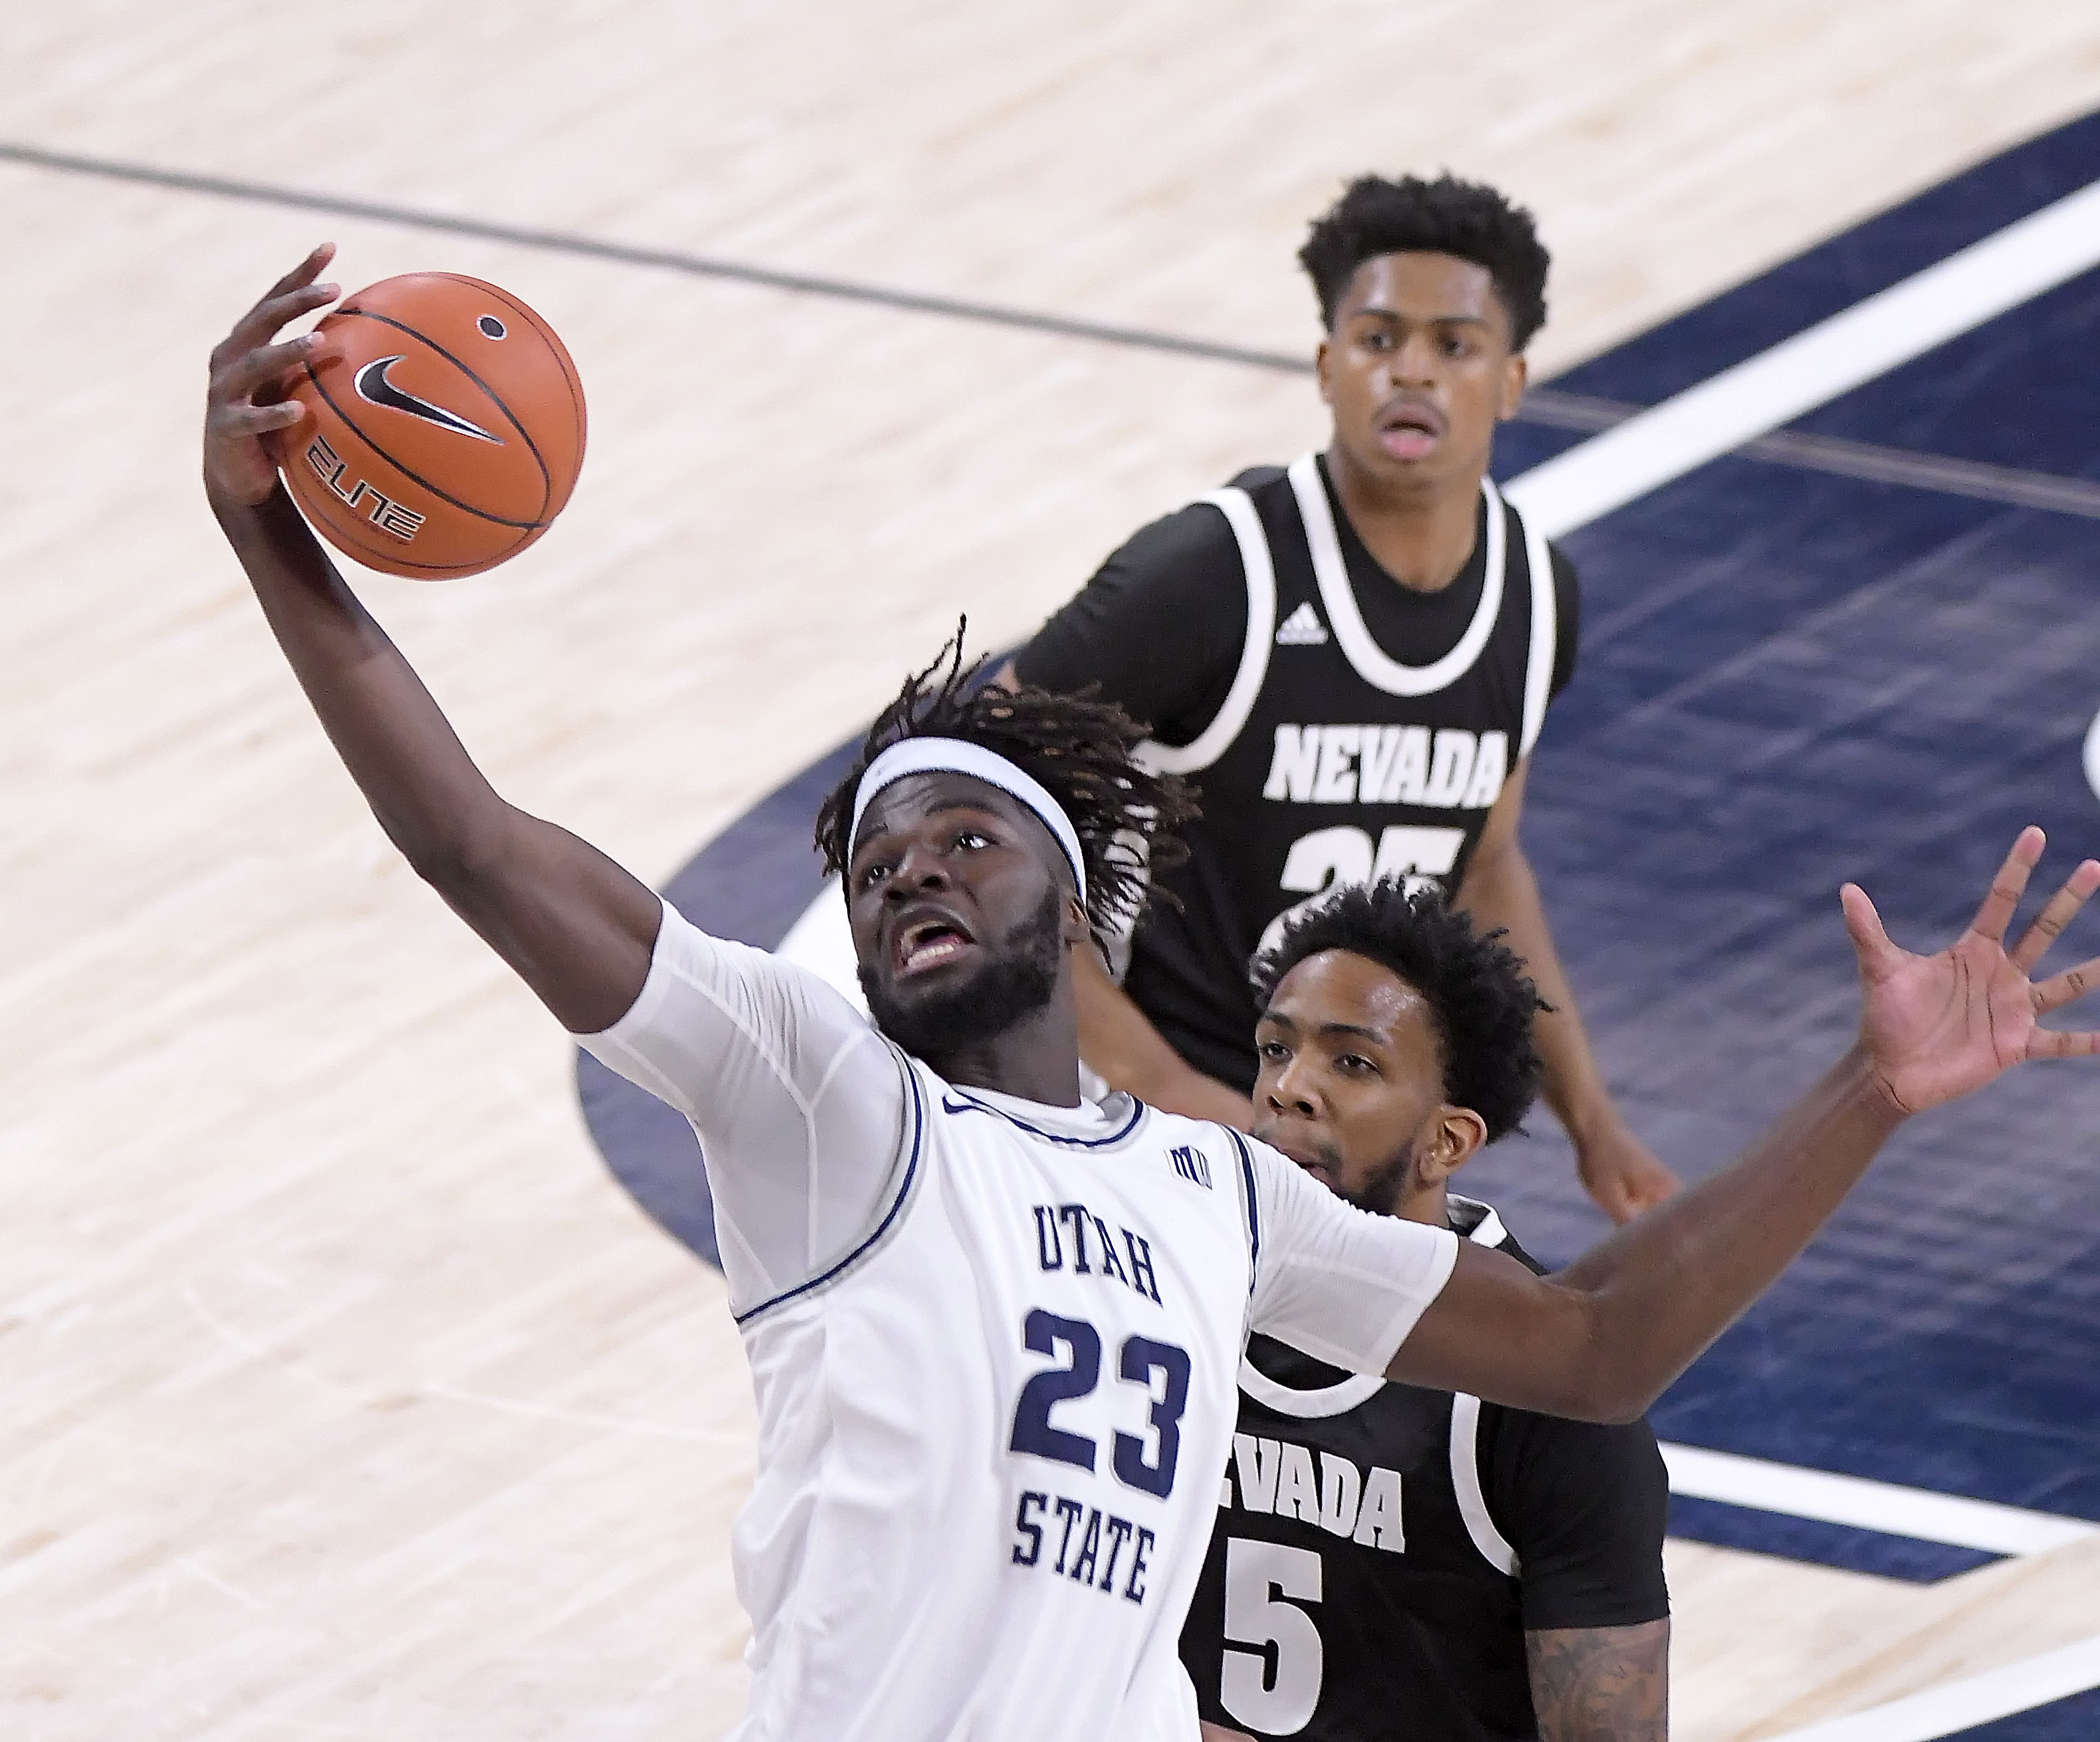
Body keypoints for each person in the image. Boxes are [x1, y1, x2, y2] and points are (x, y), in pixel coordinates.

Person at [205, 245, 2100, 1742]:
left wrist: (1866, 1086)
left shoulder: (1215, 1193)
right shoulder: (823, 1100)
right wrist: (269, 535)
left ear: (1074, 894)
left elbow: (1591, 1351)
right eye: (873, 862)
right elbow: (477, 845)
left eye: (958, 834)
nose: (905, 868)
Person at [1003, 173, 1679, 1221]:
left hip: (1343, 1153)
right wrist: (1163, 1090)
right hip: (1132, 1131)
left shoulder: (1536, 596)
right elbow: (974, 808)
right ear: (1327, 367)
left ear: (1509, 380)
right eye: (1376, 339)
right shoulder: (1211, 569)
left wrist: (1590, 1115)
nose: (1410, 370)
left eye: (1452, 346)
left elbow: (1485, 863)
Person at [1181, 880, 1668, 1742]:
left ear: (1446, 1142)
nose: (1289, 1089)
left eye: (1351, 1063)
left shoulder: (1541, 1399)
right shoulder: (1159, 1301)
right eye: (1273, 1050)